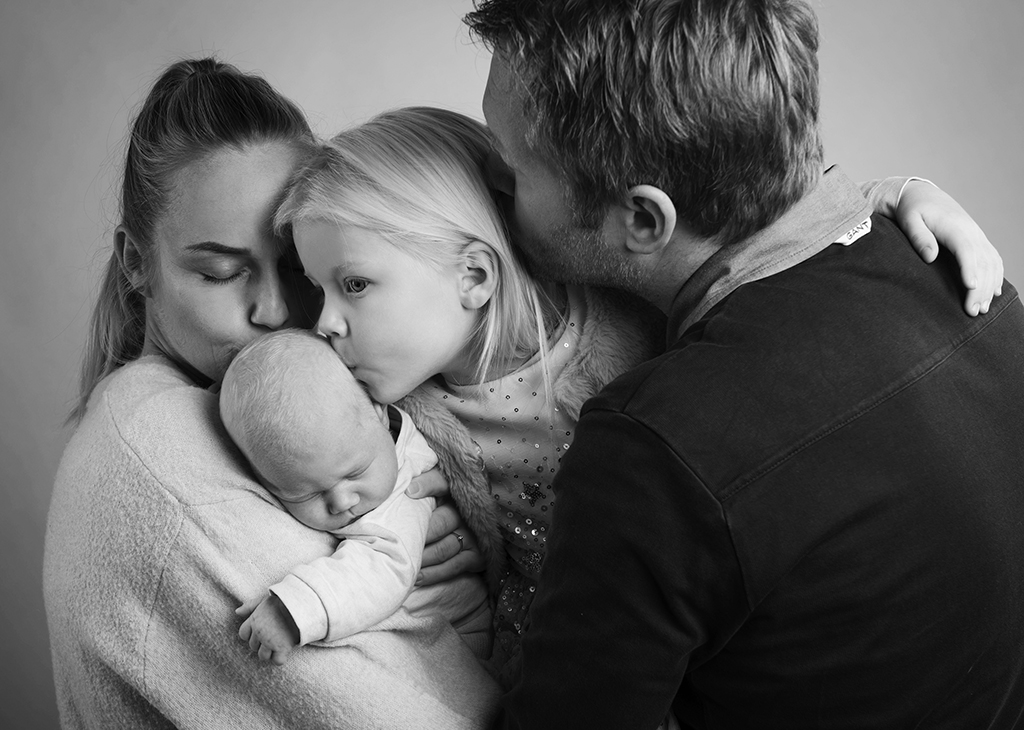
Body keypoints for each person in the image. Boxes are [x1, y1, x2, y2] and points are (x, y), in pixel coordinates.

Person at [274, 106, 1006, 695]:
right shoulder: (396, 420)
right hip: (544, 657)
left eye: (355, 285)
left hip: (697, 634)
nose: (325, 322)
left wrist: (894, 193)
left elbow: (755, 256)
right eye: (318, 289)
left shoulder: (621, 312)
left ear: (473, 275)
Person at [464, 0, 1024, 727]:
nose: (491, 185)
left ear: (644, 220)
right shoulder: (966, 277)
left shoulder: (655, 447)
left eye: (512, 167)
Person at [42, 58, 499, 730]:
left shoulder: (355, 389)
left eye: (296, 267)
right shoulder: (162, 457)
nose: (277, 309)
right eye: (222, 273)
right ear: (137, 261)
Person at [219, 328, 492, 664]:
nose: (342, 502)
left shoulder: (405, 487)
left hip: (460, 641)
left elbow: (384, 569)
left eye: (354, 473)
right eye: (307, 493)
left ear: (380, 413)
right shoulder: (359, 443)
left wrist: (295, 609)